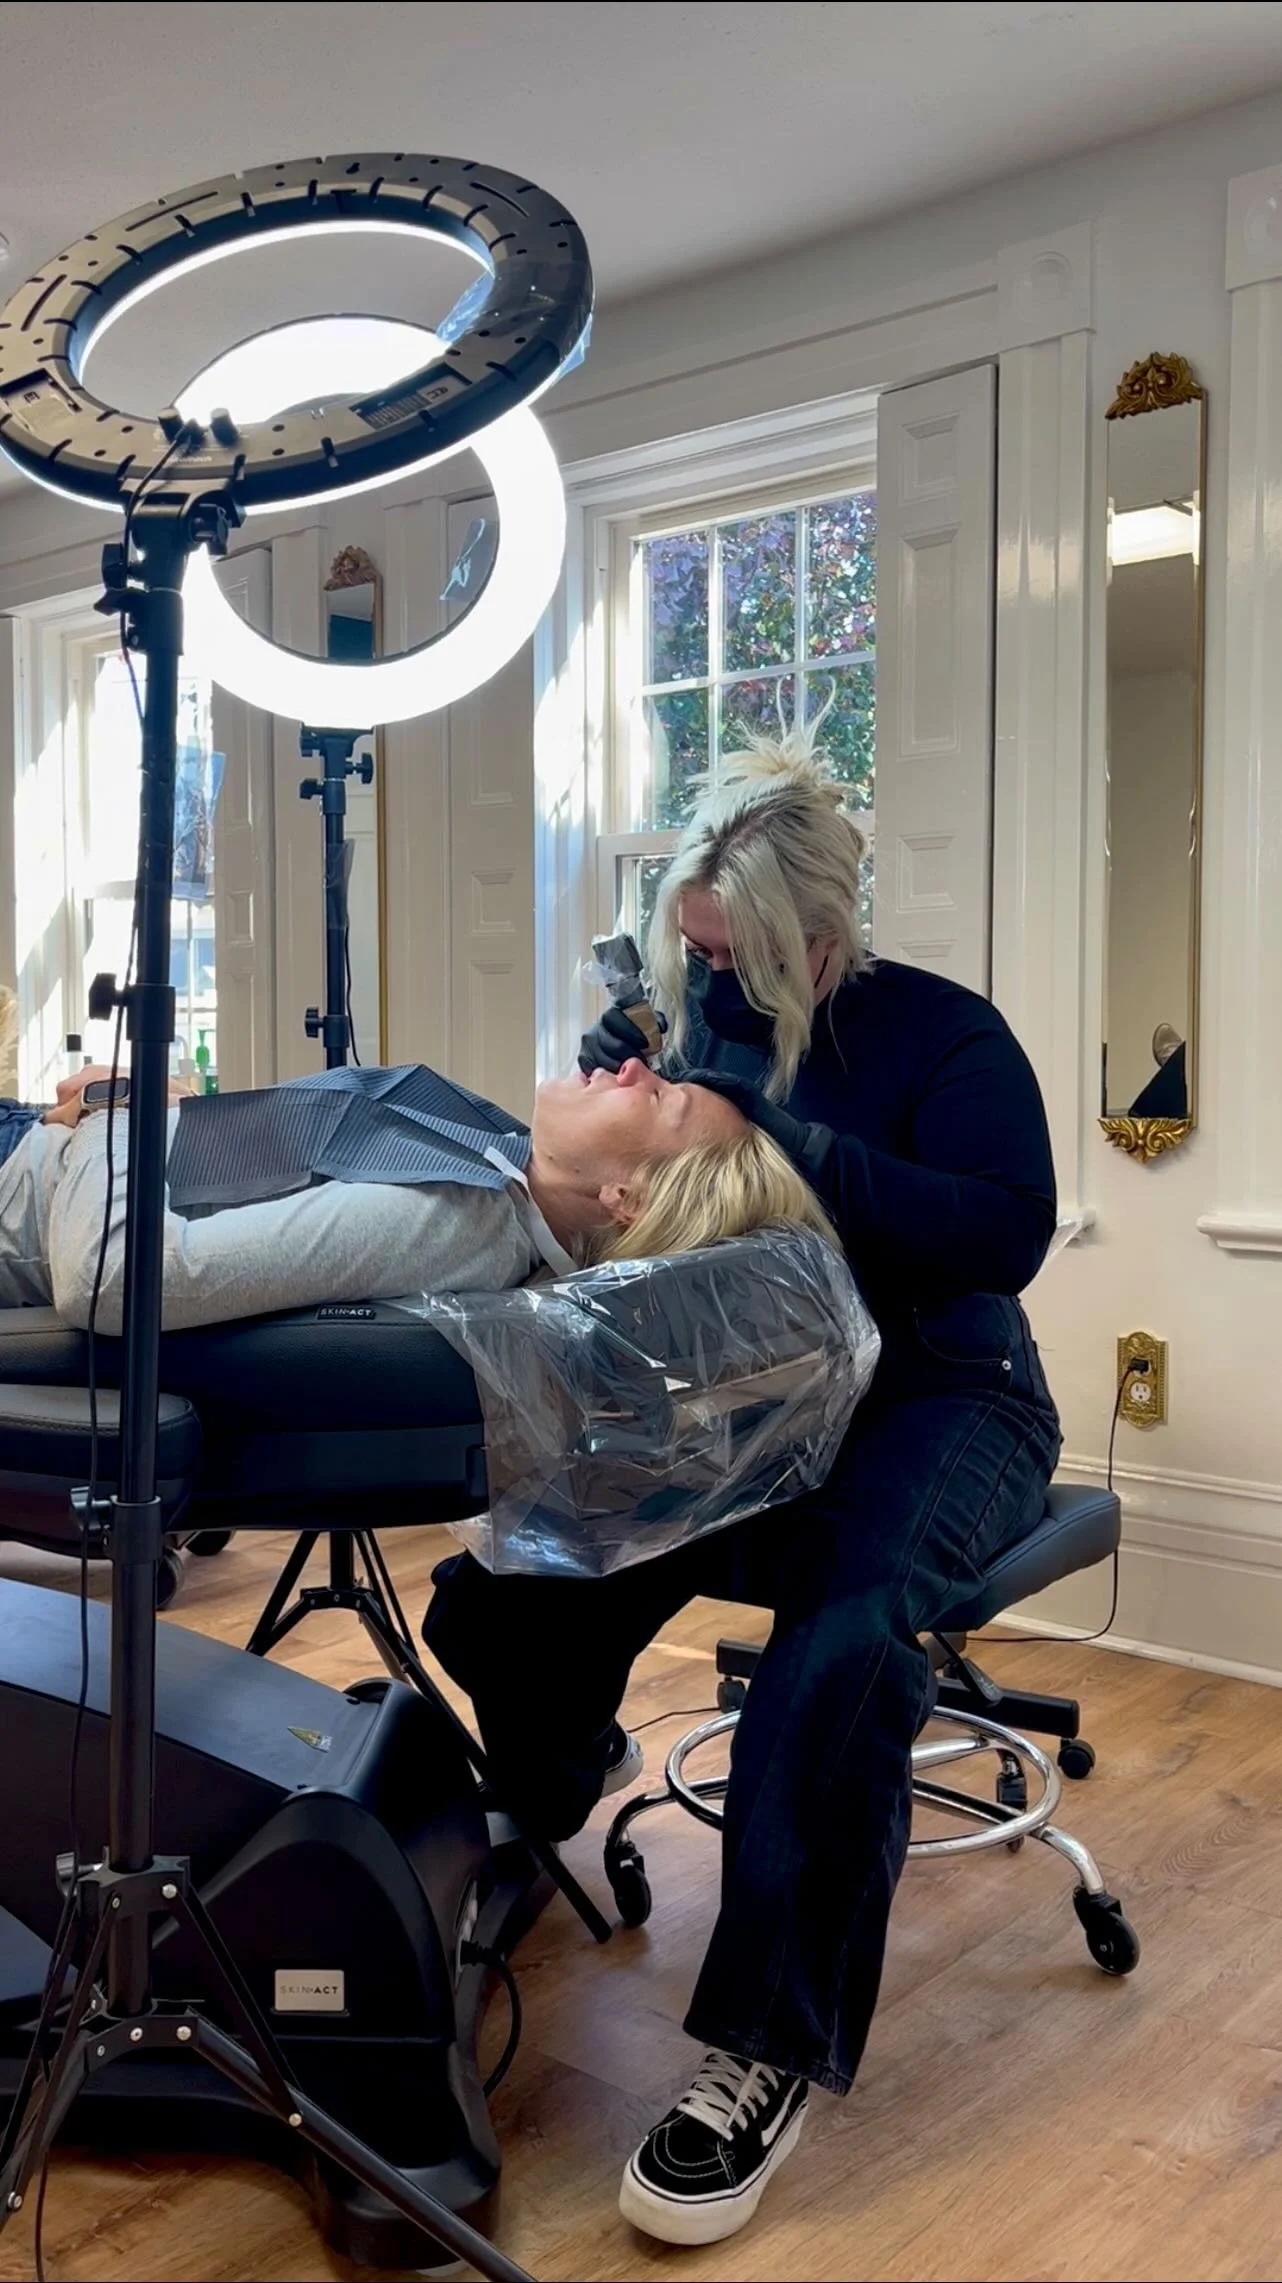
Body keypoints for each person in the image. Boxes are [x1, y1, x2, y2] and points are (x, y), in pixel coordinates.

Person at [424, 730, 1062, 2248]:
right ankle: (548, 1789)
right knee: (518, 1579)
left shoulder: (944, 1037)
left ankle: (761, 2047)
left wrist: (793, 1138)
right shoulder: (702, 1015)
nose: (713, 979)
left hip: (945, 1398)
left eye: (740, 954)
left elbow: (1005, 1233)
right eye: (696, 947)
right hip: (761, 1400)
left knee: (842, 1643)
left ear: (822, 930)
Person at [0, 1054, 834, 1335]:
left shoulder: (457, 1220)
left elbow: (112, 1275)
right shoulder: (498, 1168)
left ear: (628, 1198)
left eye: (658, 1098)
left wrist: (120, 1113)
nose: (634, 1066)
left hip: (31, 1177)